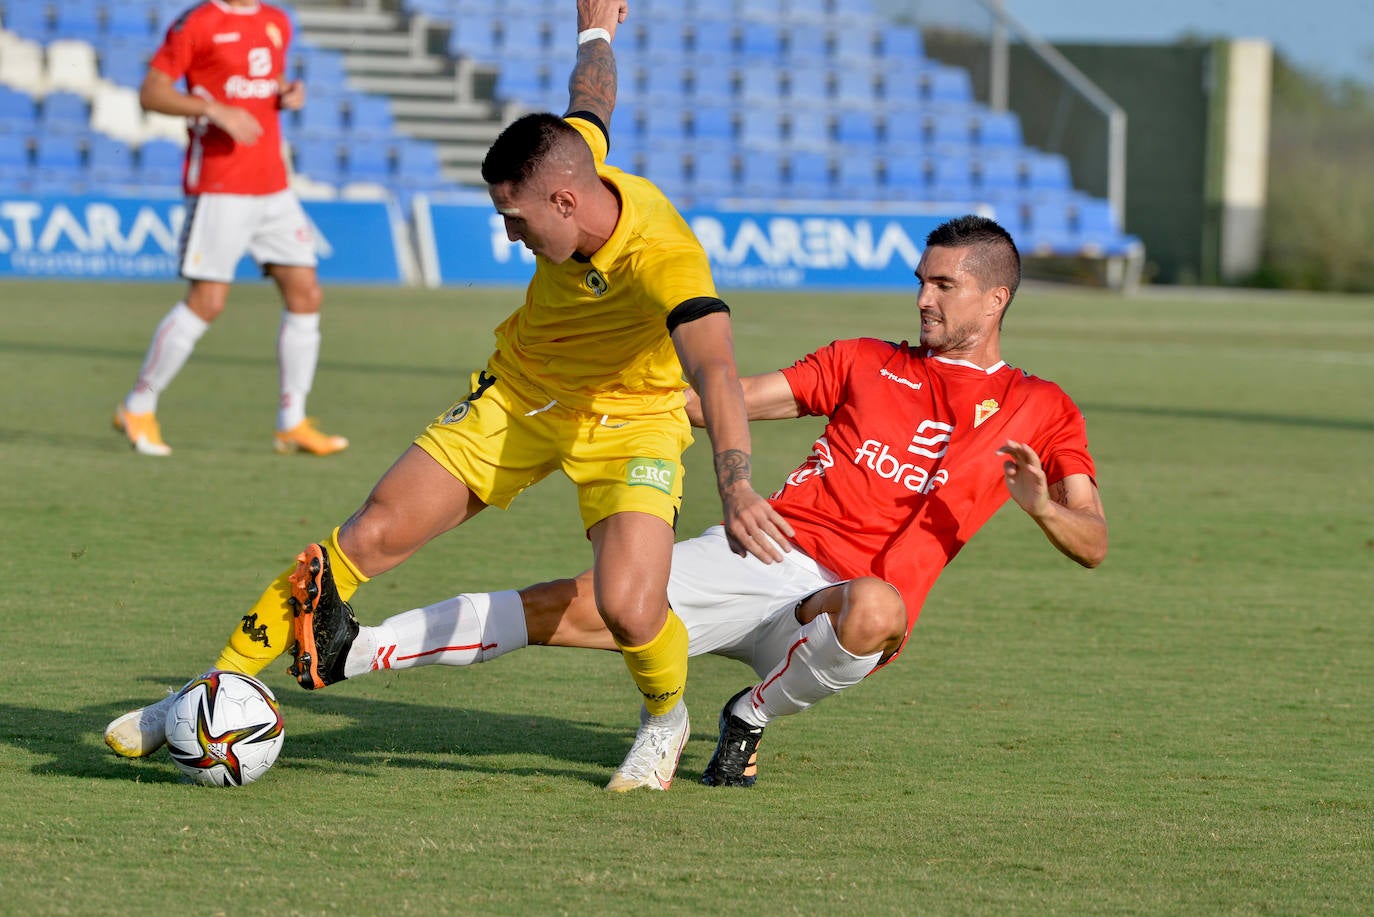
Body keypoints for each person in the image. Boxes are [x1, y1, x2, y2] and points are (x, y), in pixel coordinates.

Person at [105, 0, 790, 792]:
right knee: (370, 531)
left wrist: (736, 484)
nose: (510, 237)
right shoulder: (574, 159)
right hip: (521, 395)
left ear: (566, 202)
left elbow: (713, 367)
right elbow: (592, 97)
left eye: (515, 219)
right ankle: (196, 696)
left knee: (631, 605)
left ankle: (665, 716)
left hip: (632, 423)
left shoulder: (666, 257)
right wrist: (597, 30)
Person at [263, 214, 1110, 787]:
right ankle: (353, 650)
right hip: (768, 552)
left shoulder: (1046, 405)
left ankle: (749, 714)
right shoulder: (863, 357)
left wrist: (1041, 505)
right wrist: (628, 398)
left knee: (880, 607)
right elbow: (728, 396)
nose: (923, 298)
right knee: (581, 602)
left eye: (945, 286)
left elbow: (1093, 540)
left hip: (842, 613)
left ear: (996, 297)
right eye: (922, 281)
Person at [113, 0, 347, 457]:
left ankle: (291, 421)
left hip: (273, 185)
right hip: (220, 185)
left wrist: (285, 94)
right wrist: (214, 110)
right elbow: (152, 92)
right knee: (208, 302)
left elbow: (263, 82)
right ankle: (138, 406)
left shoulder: (276, 20)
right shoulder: (199, 22)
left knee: (306, 293)